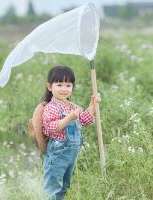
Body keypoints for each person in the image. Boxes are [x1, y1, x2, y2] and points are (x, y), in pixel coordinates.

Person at [42, 65, 101, 200]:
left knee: (64, 185)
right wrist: (69, 117)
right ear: (50, 86)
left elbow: (84, 120)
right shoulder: (51, 107)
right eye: (59, 84)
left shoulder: (72, 106)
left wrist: (92, 105)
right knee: (53, 185)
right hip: (58, 152)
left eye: (68, 85)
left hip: (71, 153)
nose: (64, 89)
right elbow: (52, 127)